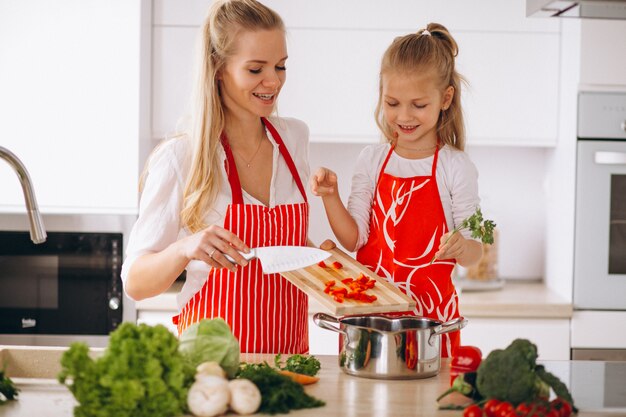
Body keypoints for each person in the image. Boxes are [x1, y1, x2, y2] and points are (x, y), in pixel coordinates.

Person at [121, 0, 312, 354]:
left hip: (290, 364)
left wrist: (325, 262)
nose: (273, 81)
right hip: (209, 370)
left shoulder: (294, 138)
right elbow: (135, 283)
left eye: (280, 66)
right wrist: (185, 247)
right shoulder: (182, 156)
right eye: (256, 70)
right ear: (218, 68)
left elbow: (283, 249)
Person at [310, 23, 482, 357]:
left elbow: (475, 255)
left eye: (418, 105)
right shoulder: (372, 160)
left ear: (445, 98)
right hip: (369, 322)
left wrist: (463, 246)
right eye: (392, 103)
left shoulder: (455, 167)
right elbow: (353, 239)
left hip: (429, 325)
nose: (403, 116)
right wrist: (331, 196)